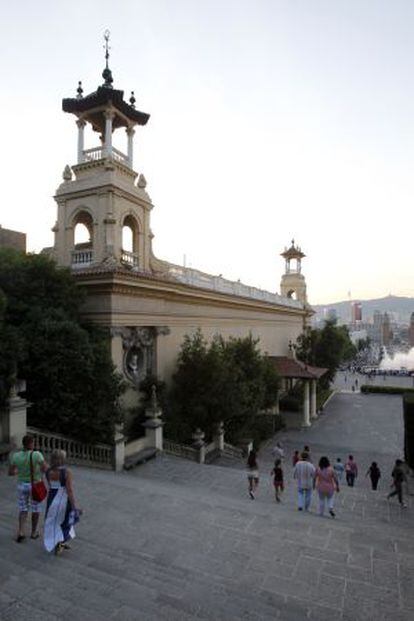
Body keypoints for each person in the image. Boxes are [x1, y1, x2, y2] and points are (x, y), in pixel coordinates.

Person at [8, 435, 48, 542]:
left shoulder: (16, 456)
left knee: (23, 508)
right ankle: (34, 532)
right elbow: (45, 469)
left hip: (22, 485)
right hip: (35, 485)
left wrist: (20, 471)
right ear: (31, 444)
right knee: (35, 508)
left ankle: (21, 531)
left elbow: (11, 472)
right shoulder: (37, 455)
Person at [44, 449, 80, 554]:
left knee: (54, 521)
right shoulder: (66, 472)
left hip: (51, 497)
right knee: (66, 521)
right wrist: (74, 505)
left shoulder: (48, 471)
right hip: (63, 499)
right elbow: (69, 489)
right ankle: (60, 543)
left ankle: (58, 541)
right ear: (62, 459)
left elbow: (50, 485)